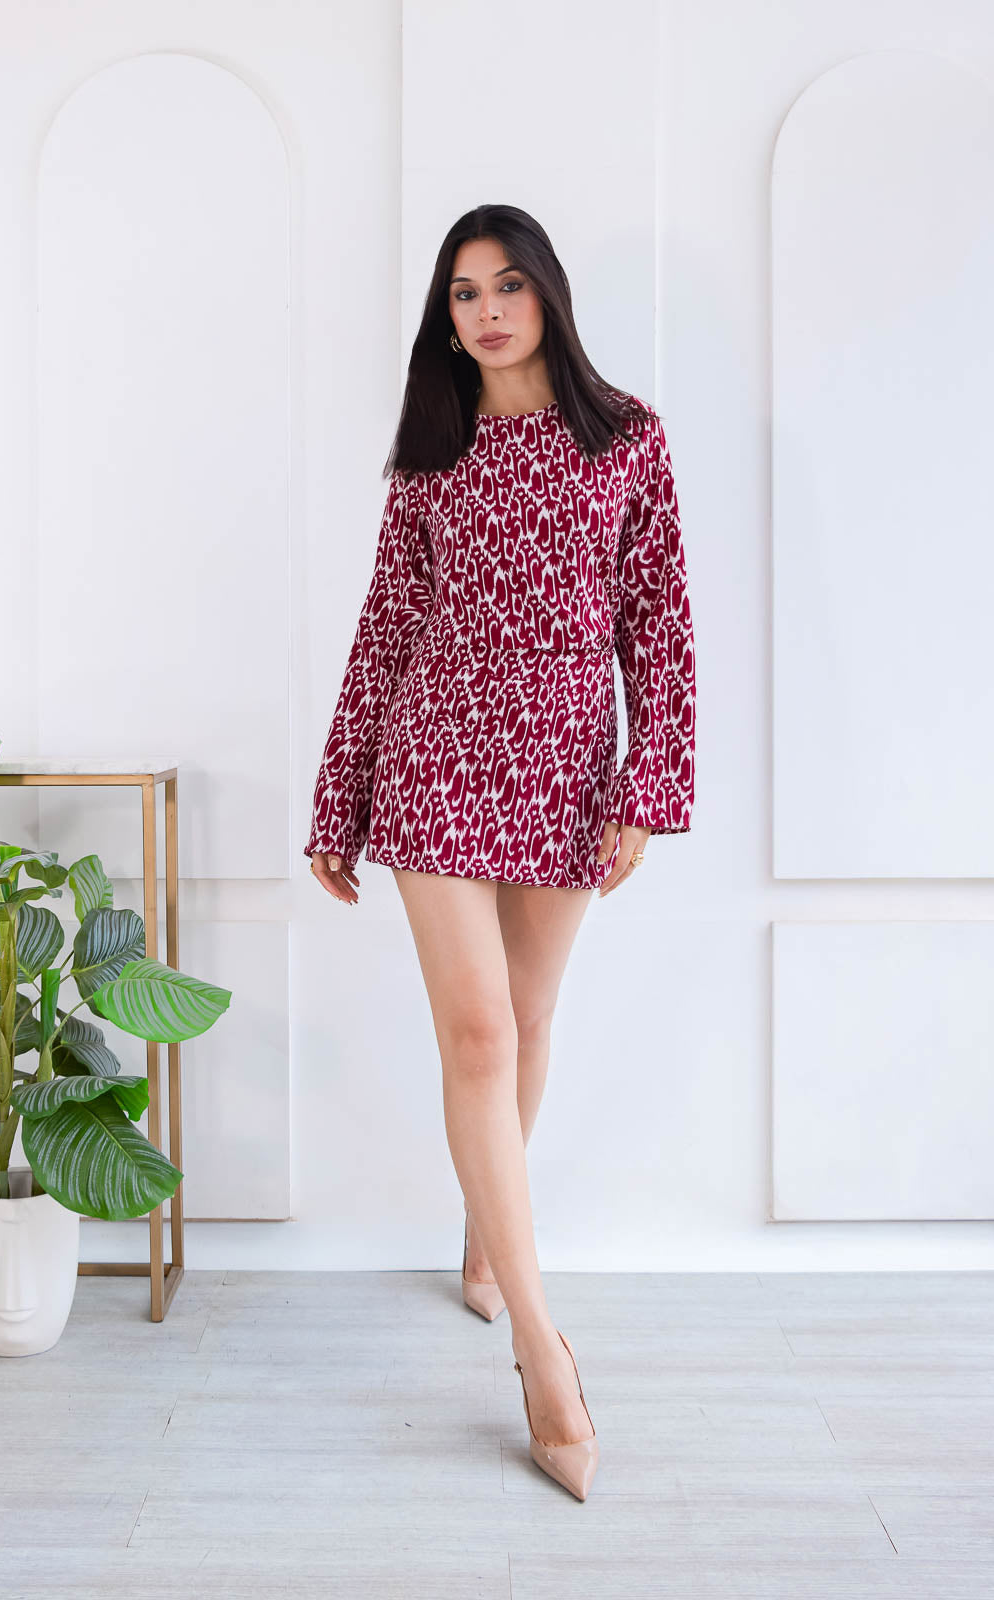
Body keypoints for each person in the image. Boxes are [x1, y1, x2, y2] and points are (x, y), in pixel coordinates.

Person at [306, 203, 695, 1500]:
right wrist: (341, 795)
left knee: (526, 1024)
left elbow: (660, 624)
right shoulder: (432, 452)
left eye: (507, 285)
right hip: (434, 755)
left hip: (566, 768)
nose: (485, 310)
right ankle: (541, 1345)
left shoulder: (626, 437)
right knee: (477, 1036)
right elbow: (385, 624)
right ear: (447, 315)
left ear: (549, 295)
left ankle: (487, 1238)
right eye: (464, 292)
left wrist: (649, 785)